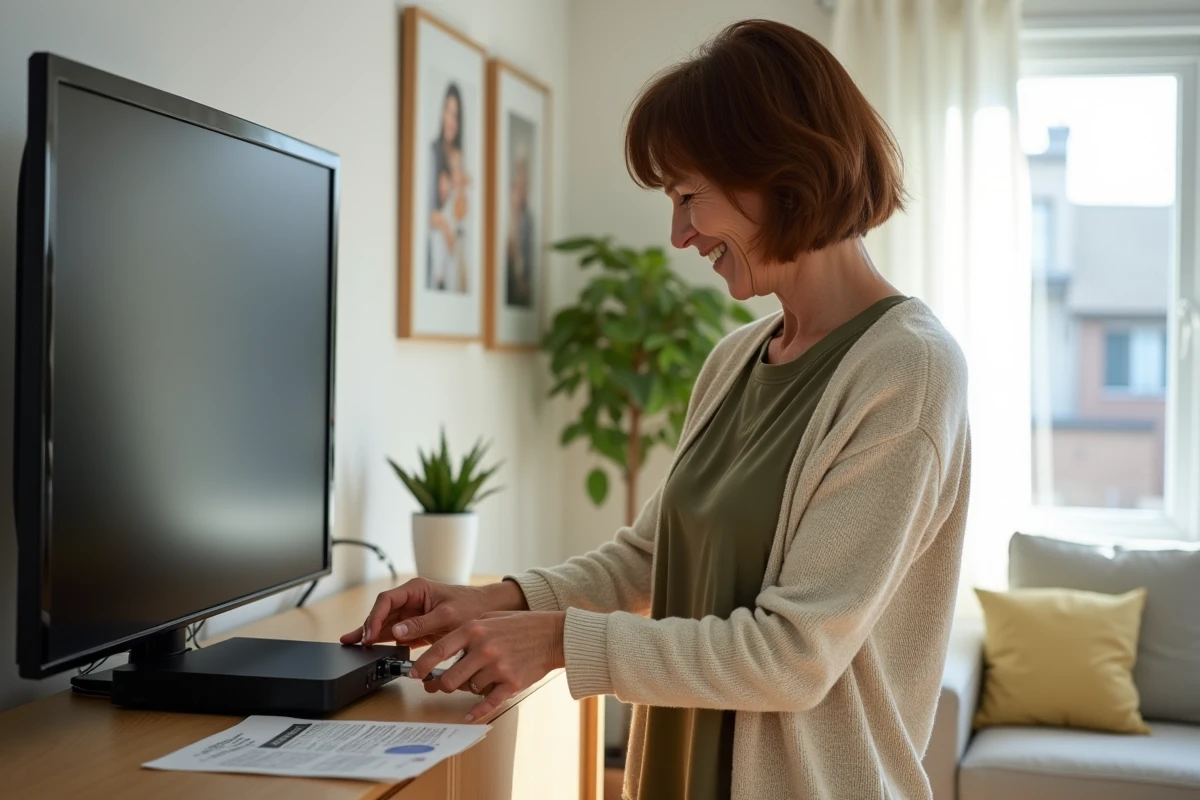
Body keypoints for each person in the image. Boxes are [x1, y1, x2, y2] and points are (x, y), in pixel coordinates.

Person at [344, 19, 970, 800]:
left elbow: (794, 656)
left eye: (687, 197)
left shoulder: (908, 371)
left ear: (777, 172)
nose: (678, 234)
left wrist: (561, 642)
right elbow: (651, 559)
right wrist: (492, 602)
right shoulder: (735, 360)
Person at [428, 83, 470, 293]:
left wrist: (459, 185)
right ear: (441, 112)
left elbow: (461, 214)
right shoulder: (433, 153)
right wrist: (446, 228)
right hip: (438, 238)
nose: (451, 121)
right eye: (448, 111)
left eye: (456, 115)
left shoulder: (458, 160)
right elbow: (429, 212)